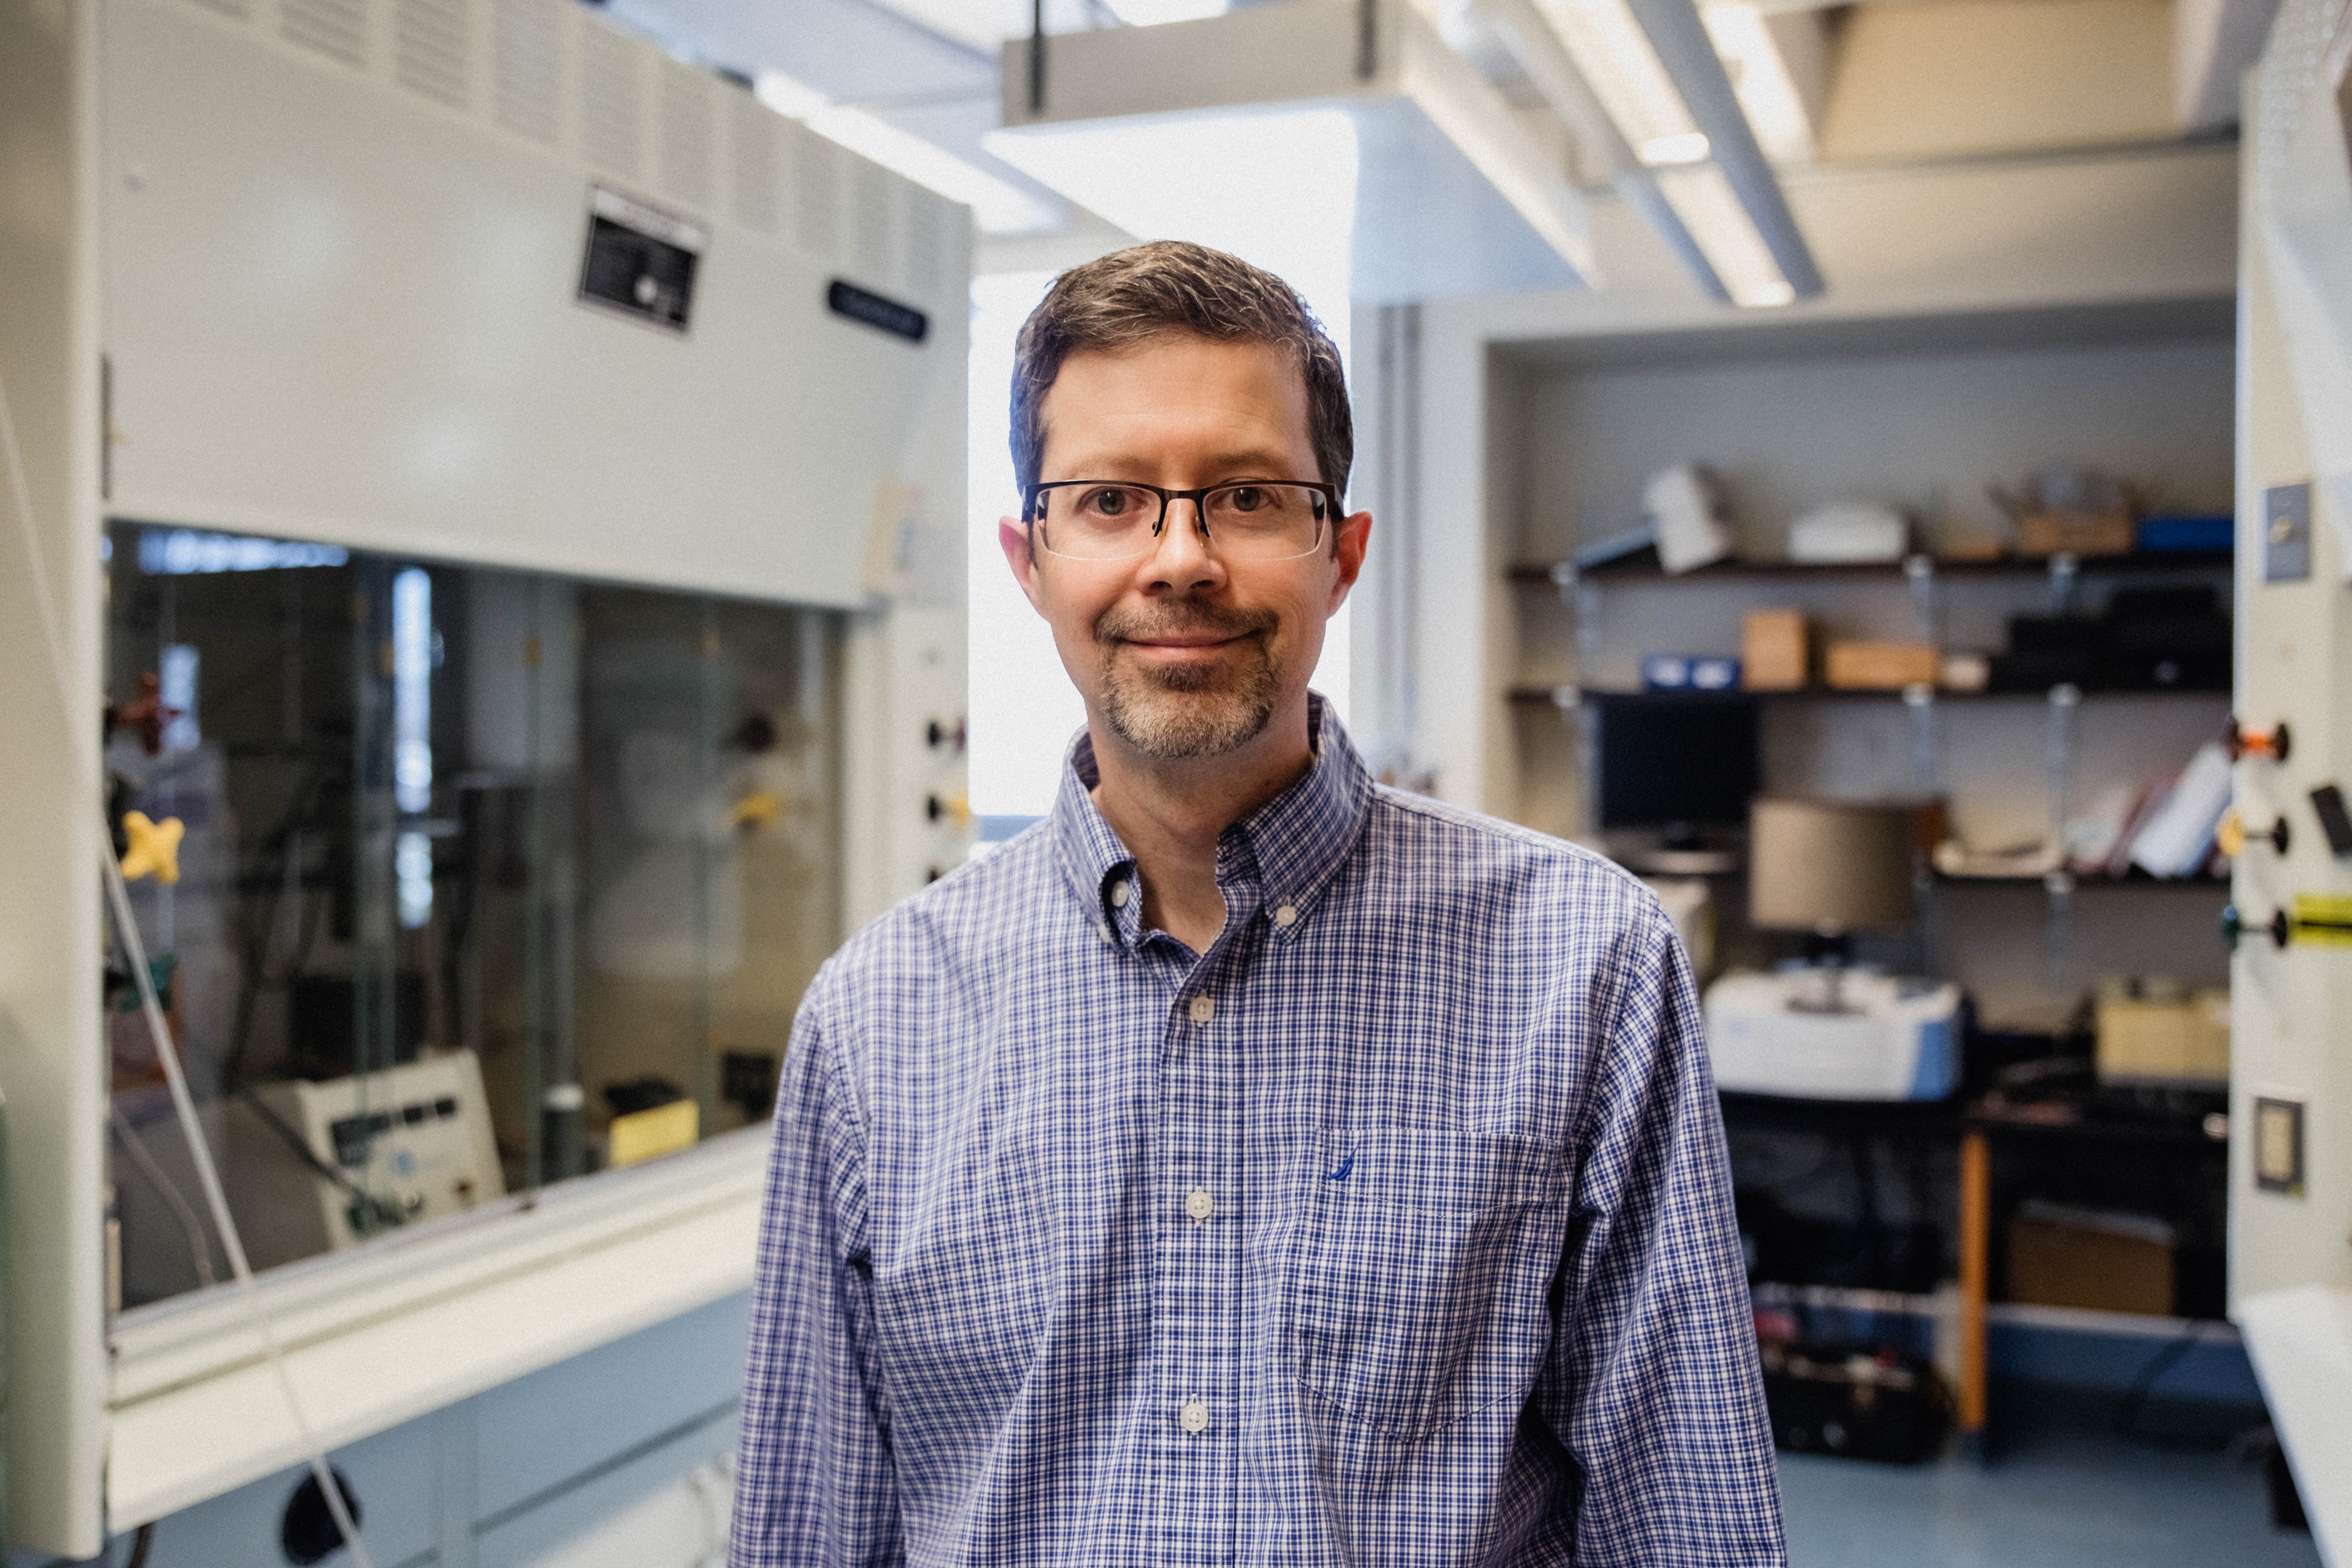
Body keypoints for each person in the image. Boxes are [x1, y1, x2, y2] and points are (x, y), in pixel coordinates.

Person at [730, 241, 1784, 1566]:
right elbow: (808, 1533)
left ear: (1339, 555)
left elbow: (1682, 1514)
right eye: (1111, 499)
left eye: (1245, 497)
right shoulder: (874, 1020)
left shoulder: (1581, 966)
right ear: (1028, 557)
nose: (1179, 560)